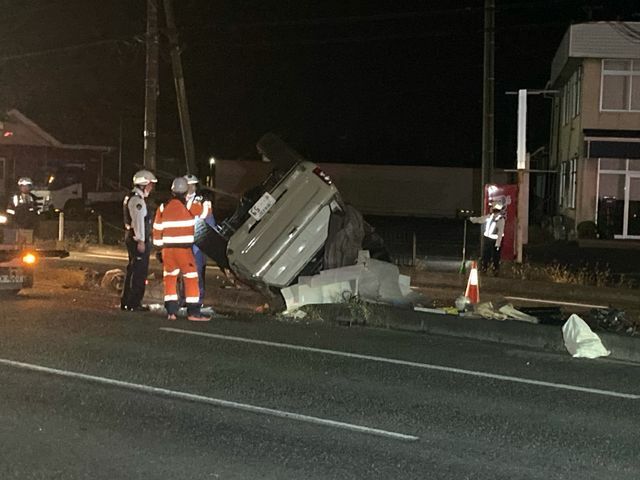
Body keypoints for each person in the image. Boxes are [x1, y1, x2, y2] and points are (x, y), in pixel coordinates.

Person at [153, 177, 210, 322]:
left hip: (167, 251)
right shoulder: (188, 206)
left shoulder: (163, 207)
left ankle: (171, 312)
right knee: (191, 279)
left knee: (170, 279)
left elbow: (157, 229)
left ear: (172, 190)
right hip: (184, 251)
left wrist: (159, 249)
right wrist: (206, 201)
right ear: (185, 191)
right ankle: (193, 312)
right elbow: (205, 214)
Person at [120, 169, 157, 312]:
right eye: (150, 185)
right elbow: (138, 222)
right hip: (137, 239)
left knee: (133, 269)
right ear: (144, 184)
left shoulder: (132, 197)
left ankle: (127, 301)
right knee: (139, 271)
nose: (151, 188)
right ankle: (134, 302)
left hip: (132, 237)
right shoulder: (137, 200)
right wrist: (141, 240)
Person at [184, 174, 216, 307]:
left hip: (197, 240)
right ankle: (186, 298)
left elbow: (209, 220)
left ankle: (197, 298)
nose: (190, 187)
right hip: (184, 240)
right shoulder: (181, 200)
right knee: (185, 271)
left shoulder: (202, 200)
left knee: (197, 270)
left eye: (192, 185)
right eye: (188, 185)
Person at [470, 202, 506, 274]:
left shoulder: (500, 219)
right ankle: (484, 268)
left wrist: (498, 244)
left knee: (495, 256)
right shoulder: (490, 217)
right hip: (487, 239)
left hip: (495, 241)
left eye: (492, 207)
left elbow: (500, 232)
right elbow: (480, 219)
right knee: (485, 255)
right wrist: (471, 219)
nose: (490, 208)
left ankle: (495, 269)